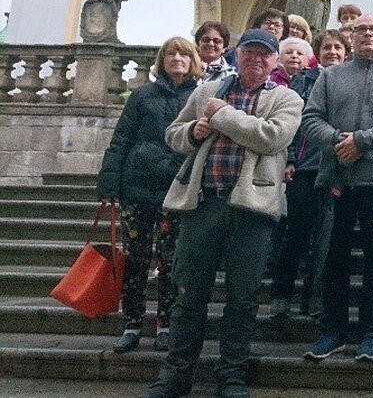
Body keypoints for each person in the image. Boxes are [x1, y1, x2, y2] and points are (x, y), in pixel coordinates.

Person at [146, 28, 303, 398]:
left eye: (265, 55)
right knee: (189, 293)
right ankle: (175, 374)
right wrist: (195, 132)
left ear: (274, 62)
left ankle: (231, 375)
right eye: (249, 52)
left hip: (253, 208)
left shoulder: (287, 98)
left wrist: (222, 117)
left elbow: (271, 137)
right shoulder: (206, 92)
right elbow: (173, 133)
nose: (256, 59)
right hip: (203, 203)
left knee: (243, 296)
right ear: (237, 55)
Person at [299, 14, 373, 362]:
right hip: (338, 180)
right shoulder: (330, 77)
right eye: (361, 29)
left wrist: (362, 141)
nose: (367, 34)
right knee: (333, 259)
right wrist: (337, 141)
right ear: (351, 37)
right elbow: (309, 119)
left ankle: (372, 333)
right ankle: (332, 331)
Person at [97, 37, 201, 354]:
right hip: (138, 188)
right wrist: (109, 183)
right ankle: (132, 324)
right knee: (135, 260)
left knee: (171, 262)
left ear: (193, 59)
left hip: (176, 191)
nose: (178, 58)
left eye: (184, 53)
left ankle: (165, 324)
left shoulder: (200, 96)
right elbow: (122, 138)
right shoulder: (142, 95)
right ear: (162, 59)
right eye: (171, 53)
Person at [269, 29, 351, 320]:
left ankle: (315, 296)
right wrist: (290, 159)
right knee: (297, 234)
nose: (333, 52)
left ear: (345, 52)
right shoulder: (303, 81)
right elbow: (292, 123)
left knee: (326, 240)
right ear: (319, 52)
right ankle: (282, 294)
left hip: (336, 169)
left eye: (338, 47)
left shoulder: (350, 81)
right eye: (327, 47)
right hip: (304, 167)